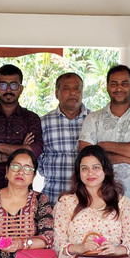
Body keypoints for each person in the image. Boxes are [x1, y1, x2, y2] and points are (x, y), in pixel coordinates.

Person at [78, 65, 130, 211]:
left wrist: (103, 146)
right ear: (107, 86)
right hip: (100, 202)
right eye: (114, 84)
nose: (119, 88)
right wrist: (128, 158)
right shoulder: (93, 119)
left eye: (124, 83)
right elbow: (85, 157)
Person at [0, 64, 44, 197]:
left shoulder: (31, 118)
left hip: (22, 192)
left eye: (14, 85)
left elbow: (35, 152)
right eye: (3, 85)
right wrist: (21, 152)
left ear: (21, 88)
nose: (8, 90)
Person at [39, 72, 88, 202]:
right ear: (56, 93)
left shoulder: (94, 120)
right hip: (53, 197)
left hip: (87, 200)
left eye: (77, 88)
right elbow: (38, 159)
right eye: (66, 88)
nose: (72, 93)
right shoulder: (43, 123)